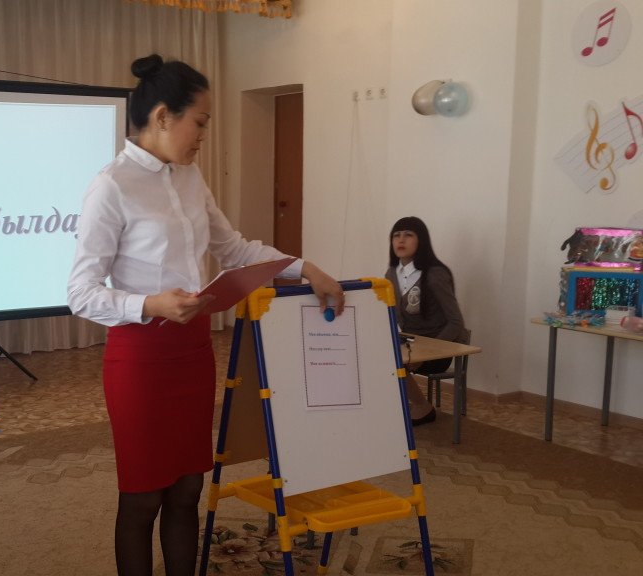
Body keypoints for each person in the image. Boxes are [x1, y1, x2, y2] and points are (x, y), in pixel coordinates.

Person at [67, 54, 345, 576]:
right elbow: (80, 293)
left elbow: (235, 250)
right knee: (142, 497)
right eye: (200, 122)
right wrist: (151, 304)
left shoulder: (190, 177)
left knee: (186, 490)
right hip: (141, 359)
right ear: (163, 116)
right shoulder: (112, 185)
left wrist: (305, 268)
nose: (202, 136)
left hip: (193, 353)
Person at [385, 216, 469, 426]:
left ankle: (423, 407)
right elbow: (391, 314)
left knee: (393, 361)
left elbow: (455, 322)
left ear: (421, 240)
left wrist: (428, 351)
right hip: (411, 344)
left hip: (439, 347)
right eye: (396, 235)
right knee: (376, 356)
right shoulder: (391, 274)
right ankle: (397, 406)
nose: (401, 240)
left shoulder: (434, 274)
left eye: (408, 235)